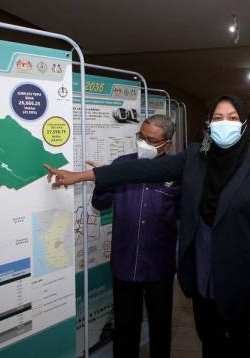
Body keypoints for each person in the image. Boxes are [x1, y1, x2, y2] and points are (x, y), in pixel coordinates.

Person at [46, 95, 250, 358]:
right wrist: (79, 176)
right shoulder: (195, 156)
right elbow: (138, 171)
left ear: (244, 123)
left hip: (239, 278)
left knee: (241, 342)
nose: (224, 123)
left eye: (232, 118)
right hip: (202, 272)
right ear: (208, 124)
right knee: (210, 341)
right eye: (217, 118)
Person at [90, 114, 180, 358]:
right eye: (141, 136)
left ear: (167, 145)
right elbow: (100, 203)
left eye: (151, 140)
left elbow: (186, 214)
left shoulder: (176, 173)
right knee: (125, 327)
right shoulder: (121, 165)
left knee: (160, 327)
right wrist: (103, 180)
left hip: (159, 266)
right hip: (125, 263)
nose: (144, 143)